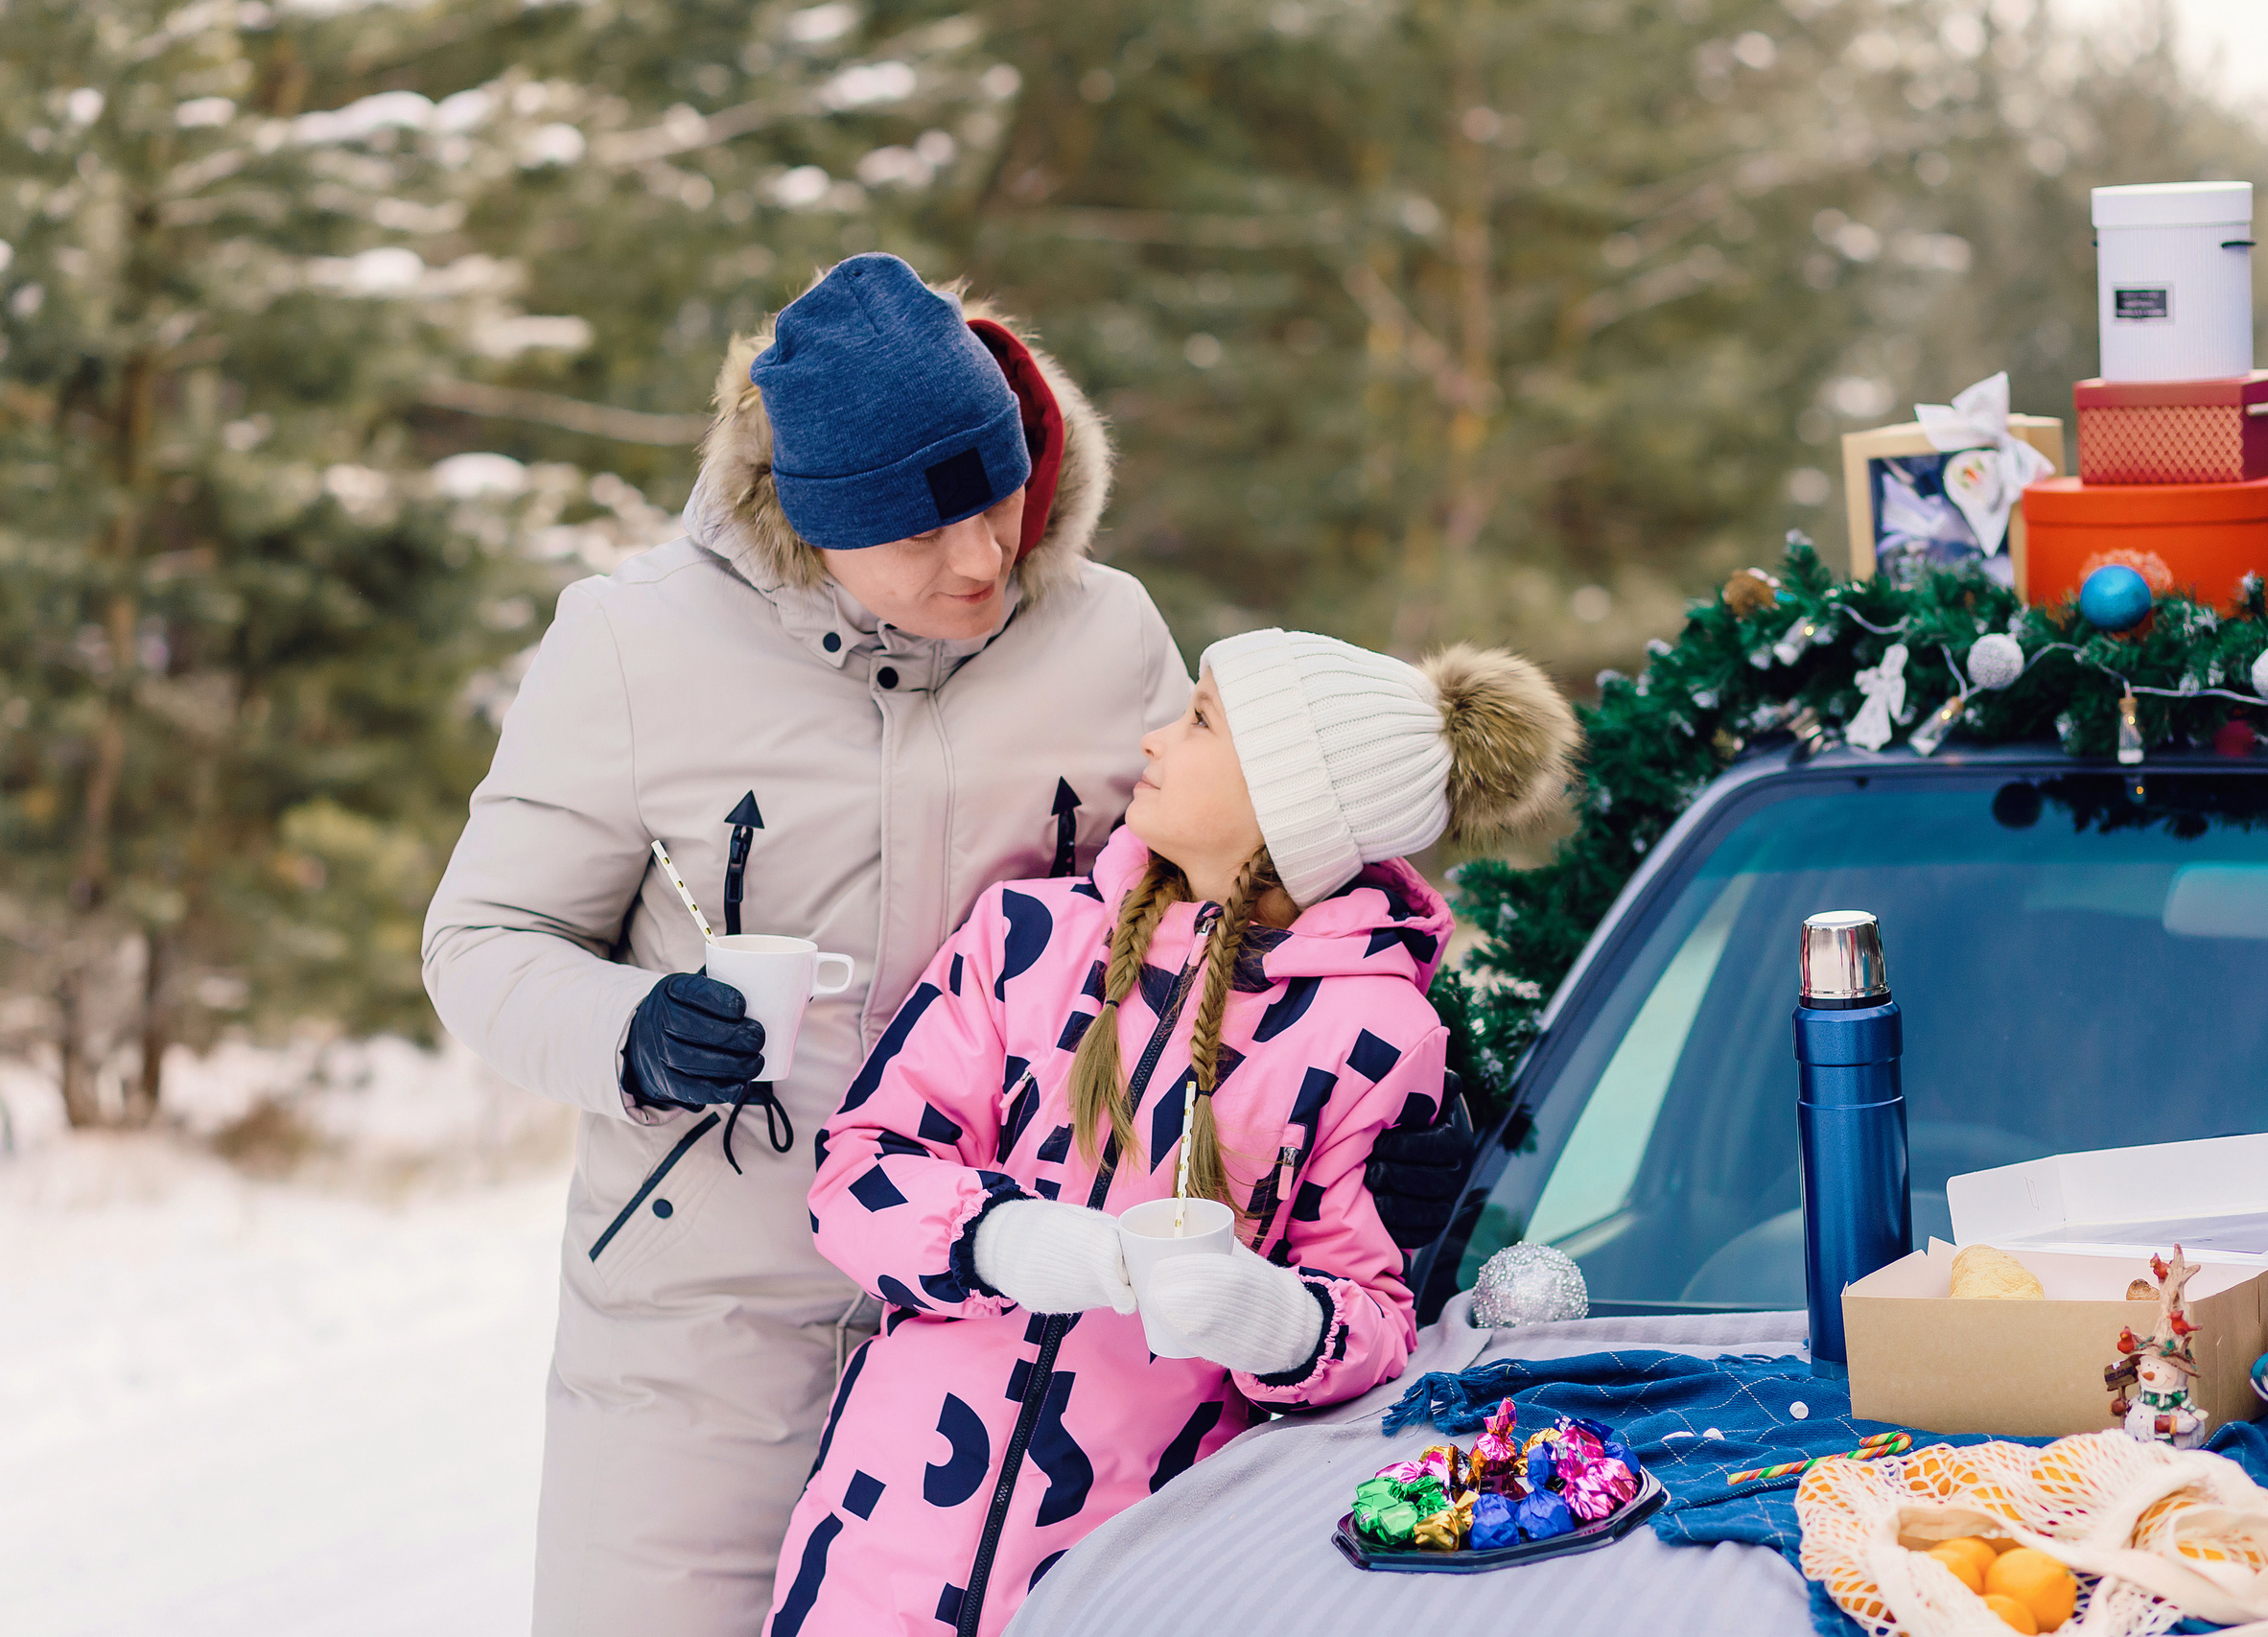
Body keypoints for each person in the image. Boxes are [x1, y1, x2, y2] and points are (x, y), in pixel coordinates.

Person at [420, 254, 1472, 1637]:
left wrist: (1408, 1099)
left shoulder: (1107, 636)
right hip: (713, 1328)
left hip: (1028, 1335)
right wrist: (630, 1028)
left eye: (997, 497)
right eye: (921, 533)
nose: (982, 556)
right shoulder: (631, 647)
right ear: (812, 517)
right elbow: (485, 936)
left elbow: (1253, 872)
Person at [768, 631, 1580, 1637]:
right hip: (880, 1539)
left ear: (1291, 801)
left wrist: (1277, 1322)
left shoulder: (1375, 1035)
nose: (1154, 740)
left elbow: (1371, 1316)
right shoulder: (1026, 940)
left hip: (1138, 1573)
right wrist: (992, 1237)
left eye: (1199, 722)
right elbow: (856, 1171)